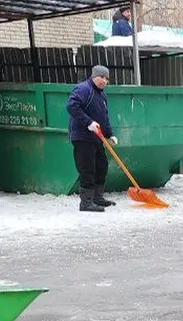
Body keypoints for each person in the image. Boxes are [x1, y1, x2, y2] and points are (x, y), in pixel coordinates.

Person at [66, 65, 119, 213]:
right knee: (87, 168)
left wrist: (110, 134)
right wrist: (88, 122)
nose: (104, 81)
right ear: (93, 76)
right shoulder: (83, 89)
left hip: (97, 137)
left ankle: (97, 197)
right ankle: (86, 202)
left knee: (102, 166)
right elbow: (71, 106)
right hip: (83, 137)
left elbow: (104, 117)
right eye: (101, 77)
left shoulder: (102, 95)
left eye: (107, 78)